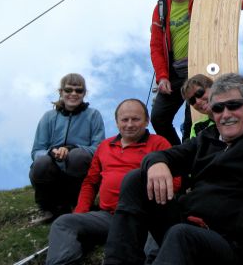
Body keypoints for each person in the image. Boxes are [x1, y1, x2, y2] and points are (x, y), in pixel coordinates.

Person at [102, 73, 243, 265]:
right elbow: (164, 155)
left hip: (230, 244)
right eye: (218, 108)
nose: (225, 114)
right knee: (135, 180)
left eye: (233, 105)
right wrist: (157, 163)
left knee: (182, 235)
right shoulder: (205, 139)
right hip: (185, 224)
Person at [45, 99, 179, 265]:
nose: (129, 124)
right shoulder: (104, 146)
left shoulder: (159, 143)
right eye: (124, 120)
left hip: (145, 218)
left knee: (158, 243)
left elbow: (175, 180)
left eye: (136, 119)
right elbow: (90, 182)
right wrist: (80, 212)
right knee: (63, 223)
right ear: (116, 122)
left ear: (147, 121)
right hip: (108, 217)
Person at [150, 0, 243, 145]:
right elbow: (156, 46)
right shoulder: (161, 8)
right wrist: (162, 77)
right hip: (174, 73)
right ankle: (180, 151)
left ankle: (192, 153)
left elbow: (241, 4)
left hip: (199, 67)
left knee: (192, 120)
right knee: (158, 118)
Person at [30, 73, 105, 224]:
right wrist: (52, 152)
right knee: (41, 163)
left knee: (78, 156)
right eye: (68, 90)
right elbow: (37, 151)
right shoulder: (48, 117)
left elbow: (99, 148)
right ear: (61, 92)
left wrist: (72, 148)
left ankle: (78, 204)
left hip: (79, 171)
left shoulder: (93, 115)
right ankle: (48, 208)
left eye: (79, 91)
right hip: (53, 171)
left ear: (85, 93)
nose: (73, 94)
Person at [180, 74, 215, 138]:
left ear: (213, 88)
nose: (198, 102)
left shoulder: (236, 112)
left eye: (199, 93)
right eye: (192, 101)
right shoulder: (197, 127)